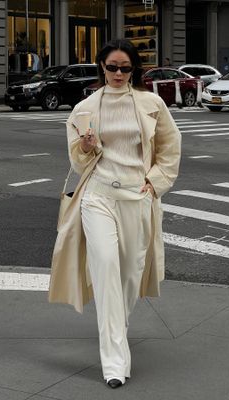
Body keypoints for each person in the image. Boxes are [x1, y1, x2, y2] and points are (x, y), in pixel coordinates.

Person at [48, 38, 181, 389]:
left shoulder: (151, 103)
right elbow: (78, 161)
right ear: (101, 68)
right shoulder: (86, 108)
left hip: (138, 197)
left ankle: (115, 335)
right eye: (112, 67)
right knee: (105, 267)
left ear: (134, 69)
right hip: (98, 197)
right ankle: (114, 363)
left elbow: (170, 146)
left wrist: (155, 182)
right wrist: (87, 147)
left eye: (125, 67)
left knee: (129, 277)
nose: (119, 73)